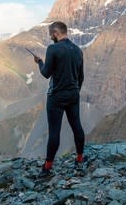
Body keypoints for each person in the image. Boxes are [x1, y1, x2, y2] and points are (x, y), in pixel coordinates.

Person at [32, 21, 86, 178]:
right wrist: (75, 92)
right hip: (73, 94)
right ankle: (79, 159)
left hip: (56, 97)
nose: (50, 38)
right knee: (77, 126)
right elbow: (80, 76)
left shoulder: (53, 49)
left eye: (51, 35)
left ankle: (48, 167)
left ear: (56, 33)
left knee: (54, 131)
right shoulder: (78, 50)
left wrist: (40, 62)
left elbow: (46, 73)